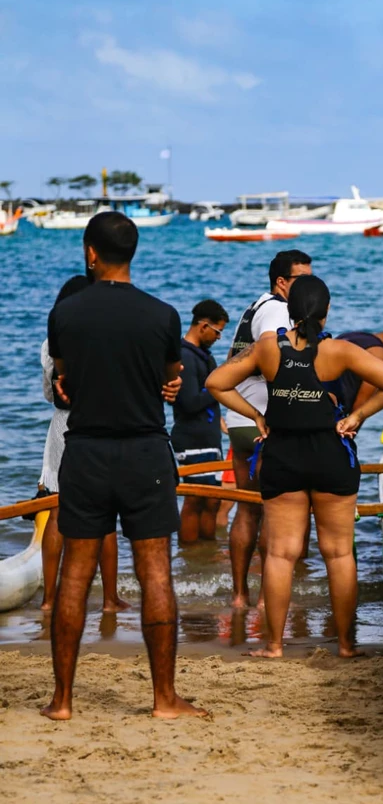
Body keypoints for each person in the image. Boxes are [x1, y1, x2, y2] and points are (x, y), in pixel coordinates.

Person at [42, 211, 207, 721]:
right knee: (155, 572)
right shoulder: (163, 315)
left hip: (86, 450)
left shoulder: (65, 314)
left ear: (91, 253)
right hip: (144, 452)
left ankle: (63, 701)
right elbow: (170, 375)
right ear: (132, 253)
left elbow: (64, 380)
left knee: (74, 575)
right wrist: (166, 384)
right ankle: (164, 699)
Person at [207, 274, 383, 658]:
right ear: (326, 310)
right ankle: (346, 645)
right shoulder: (339, 350)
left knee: (280, 554)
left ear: (290, 310)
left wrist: (257, 415)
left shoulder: (268, 347)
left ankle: (274, 645)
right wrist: (356, 416)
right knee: (339, 554)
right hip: (331, 456)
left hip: (283, 457)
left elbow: (216, 382)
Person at [226, 249, 312, 607]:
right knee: (273, 511)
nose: (309, 286)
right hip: (264, 420)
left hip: (239, 419)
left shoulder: (255, 306)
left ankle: (239, 596)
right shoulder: (278, 310)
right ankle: (265, 598)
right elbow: (273, 358)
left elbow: (235, 362)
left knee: (246, 510)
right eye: (302, 280)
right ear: (281, 282)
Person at [38, 275, 125, 614]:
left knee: (57, 511)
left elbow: (49, 395)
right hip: (98, 424)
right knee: (104, 513)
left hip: (61, 426)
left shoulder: (50, 342)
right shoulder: (102, 336)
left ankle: (49, 600)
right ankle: (109, 599)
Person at [171, 299, 229, 543]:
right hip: (191, 437)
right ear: (203, 326)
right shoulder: (185, 355)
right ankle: (189, 551)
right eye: (217, 331)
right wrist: (217, 386)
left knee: (213, 499)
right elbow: (189, 402)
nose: (218, 337)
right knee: (196, 498)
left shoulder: (203, 356)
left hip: (208, 436)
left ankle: (206, 553)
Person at [324, 323, 383, 416]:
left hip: (318, 396)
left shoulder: (349, 336)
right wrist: (353, 422)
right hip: (331, 411)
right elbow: (361, 404)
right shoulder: (381, 356)